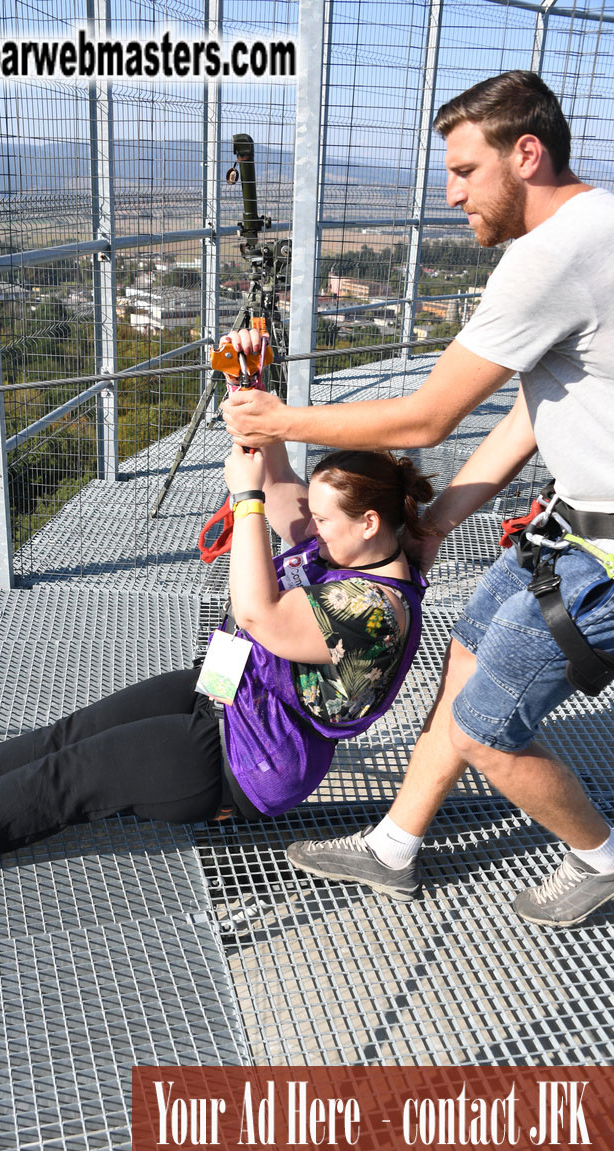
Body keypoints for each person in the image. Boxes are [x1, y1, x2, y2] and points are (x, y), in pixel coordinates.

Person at [222, 70, 614, 927]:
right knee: (465, 659)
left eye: (466, 171)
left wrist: (279, 418)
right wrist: (436, 523)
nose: (452, 195)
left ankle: (604, 858)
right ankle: (394, 847)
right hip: (577, 524)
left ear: (527, 154)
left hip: (605, 554)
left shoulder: (550, 256)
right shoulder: (600, 225)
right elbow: (536, 409)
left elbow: (429, 417)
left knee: (483, 729)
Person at [0, 442, 431, 875]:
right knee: (69, 733)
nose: (311, 529)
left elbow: (258, 613)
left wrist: (245, 500)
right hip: (227, 688)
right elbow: (274, 476)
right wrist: (248, 388)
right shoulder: (348, 548)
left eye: (322, 519)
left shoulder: (373, 612)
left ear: (368, 522)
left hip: (246, 758)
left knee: (71, 774)